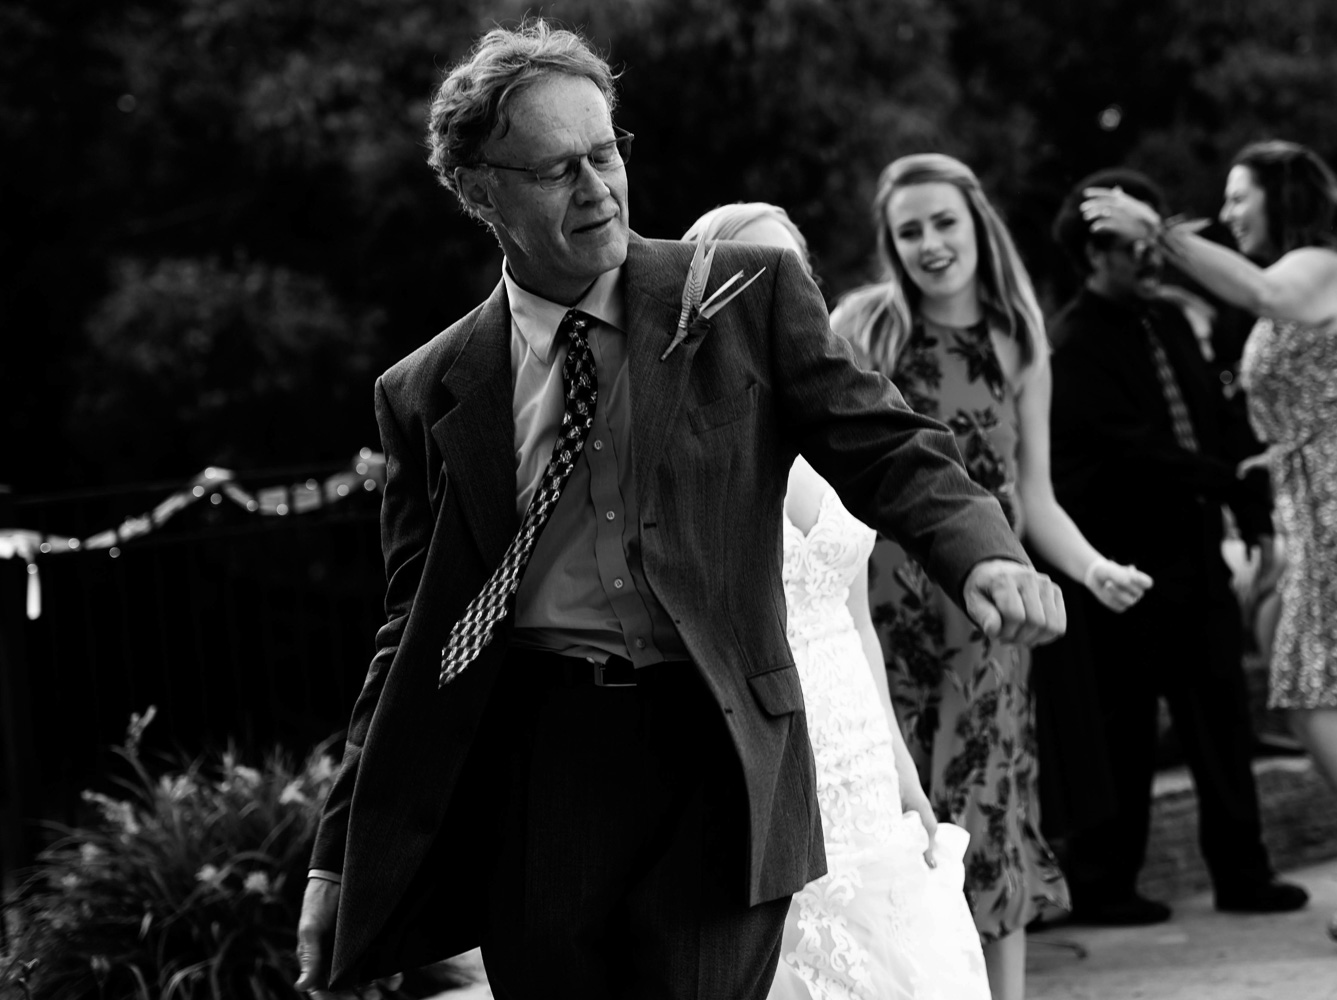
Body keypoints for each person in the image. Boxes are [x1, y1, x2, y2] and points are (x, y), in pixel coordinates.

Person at [292, 22, 1066, 1000]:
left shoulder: (743, 297)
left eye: (606, 150)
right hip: (541, 768)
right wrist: (335, 857)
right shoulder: (428, 392)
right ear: (479, 189)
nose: (598, 187)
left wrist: (981, 554)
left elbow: (886, 442)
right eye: (556, 168)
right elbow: (411, 633)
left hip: (719, 747)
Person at [1082, 140, 1337, 942]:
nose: (1228, 214)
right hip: (1329, 483)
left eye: (1238, 197)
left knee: (1317, 685)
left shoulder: (1318, 263)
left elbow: (1263, 290)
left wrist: (1156, 231)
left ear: (1282, 195)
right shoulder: (1310, 270)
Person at [831, 153, 1152, 1000]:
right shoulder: (866, 330)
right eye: (910, 231)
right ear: (891, 245)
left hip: (991, 621)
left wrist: (1091, 568)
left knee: (990, 820)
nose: (931, 244)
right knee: (905, 829)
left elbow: (1031, 495)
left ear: (977, 223)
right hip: (883, 615)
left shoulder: (1020, 339)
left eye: (944, 222)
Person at [686, 201, 991, 999]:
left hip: (856, 747)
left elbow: (857, 620)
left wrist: (903, 773)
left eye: (789, 273)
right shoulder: (691, 443)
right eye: (744, 274)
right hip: (766, 753)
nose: (769, 291)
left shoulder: (833, 425)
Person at [1046, 167, 1310, 926]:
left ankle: (1243, 872)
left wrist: (1249, 507)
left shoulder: (1168, 323)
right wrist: (1227, 477)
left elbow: (1212, 419)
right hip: (1125, 563)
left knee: (1221, 716)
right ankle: (1105, 883)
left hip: (1194, 551)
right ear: (1096, 255)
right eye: (1136, 247)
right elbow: (1134, 451)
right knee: (1123, 728)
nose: (1153, 260)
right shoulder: (1073, 345)